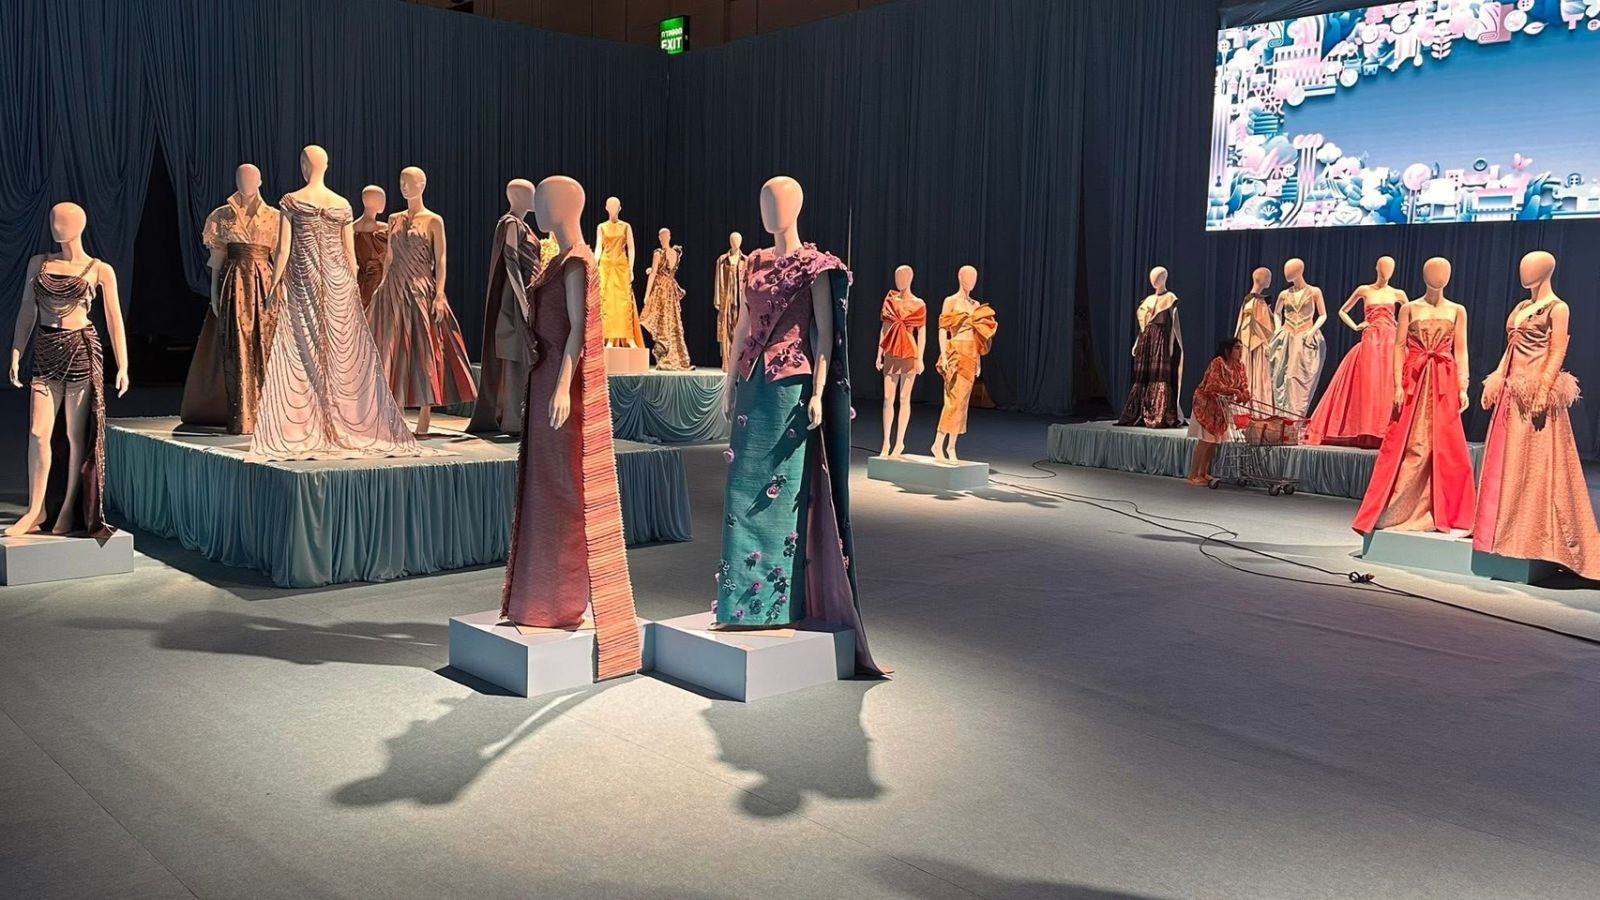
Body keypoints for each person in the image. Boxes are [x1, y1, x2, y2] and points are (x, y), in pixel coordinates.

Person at [1185, 337, 1250, 486]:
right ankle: (1193, 474)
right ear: (1228, 350)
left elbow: (1243, 384)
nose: (1240, 351)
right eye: (1237, 348)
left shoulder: (1239, 366)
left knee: (1215, 443)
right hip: (1206, 405)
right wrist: (1234, 391)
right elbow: (1213, 385)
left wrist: (1245, 393)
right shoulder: (1218, 363)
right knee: (1205, 441)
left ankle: (1203, 472)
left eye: (1241, 348)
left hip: (1221, 407)